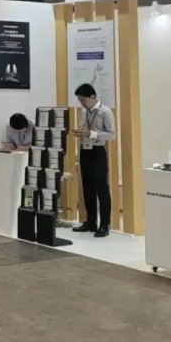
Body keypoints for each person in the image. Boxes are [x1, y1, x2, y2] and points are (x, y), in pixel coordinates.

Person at [71, 83, 115, 238]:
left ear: (93, 97)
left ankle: (104, 224)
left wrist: (91, 134)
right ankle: (90, 222)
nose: (82, 103)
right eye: (80, 100)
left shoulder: (105, 111)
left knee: (101, 189)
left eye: (83, 100)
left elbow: (111, 134)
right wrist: (80, 132)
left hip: (98, 152)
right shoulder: (85, 111)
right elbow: (85, 128)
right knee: (87, 187)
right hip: (85, 150)